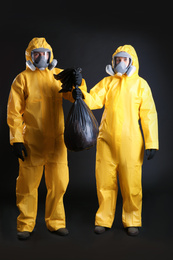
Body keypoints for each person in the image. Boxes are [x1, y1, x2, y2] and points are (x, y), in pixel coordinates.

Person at [73, 45, 159, 236]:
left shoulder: (141, 85)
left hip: (131, 143)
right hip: (106, 142)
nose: (120, 63)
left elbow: (149, 115)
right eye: (117, 60)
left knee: (132, 184)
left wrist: (152, 142)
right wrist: (80, 90)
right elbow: (93, 100)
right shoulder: (107, 83)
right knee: (104, 182)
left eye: (124, 59)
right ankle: (103, 219)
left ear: (132, 62)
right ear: (113, 62)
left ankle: (132, 220)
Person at [7, 37, 85, 240]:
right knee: (27, 185)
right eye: (37, 54)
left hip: (57, 142)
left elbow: (76, 96)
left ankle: (56, 222)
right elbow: (14, 113)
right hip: (32, 142)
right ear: (30, 57)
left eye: (45, 54)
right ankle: (25, 224)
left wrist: (79, 83)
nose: (41, 57)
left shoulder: (58, 75)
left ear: (51, 55)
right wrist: (16, 139)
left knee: (59, 183)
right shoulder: (22, 79)